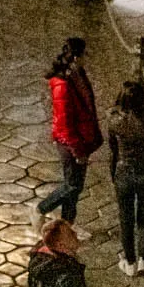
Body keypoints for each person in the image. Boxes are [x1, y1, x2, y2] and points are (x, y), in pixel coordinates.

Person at [37, 37, 103, 226]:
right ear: (75, 57)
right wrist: (78, 150)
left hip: (81, 138)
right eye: (84, 55)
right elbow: (65, 124)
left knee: (75, 187)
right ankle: (41, 209)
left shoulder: (77, 73)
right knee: (72, 185)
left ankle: (67, 226)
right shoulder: (63, 84)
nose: (86, 58)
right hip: (70, 143)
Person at [107, 77, 144, 276]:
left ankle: (129, 262)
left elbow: (113, 150)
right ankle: (143, 261)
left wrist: (113, 172)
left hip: (124, 172)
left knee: (126, 218)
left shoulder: (114, 119)